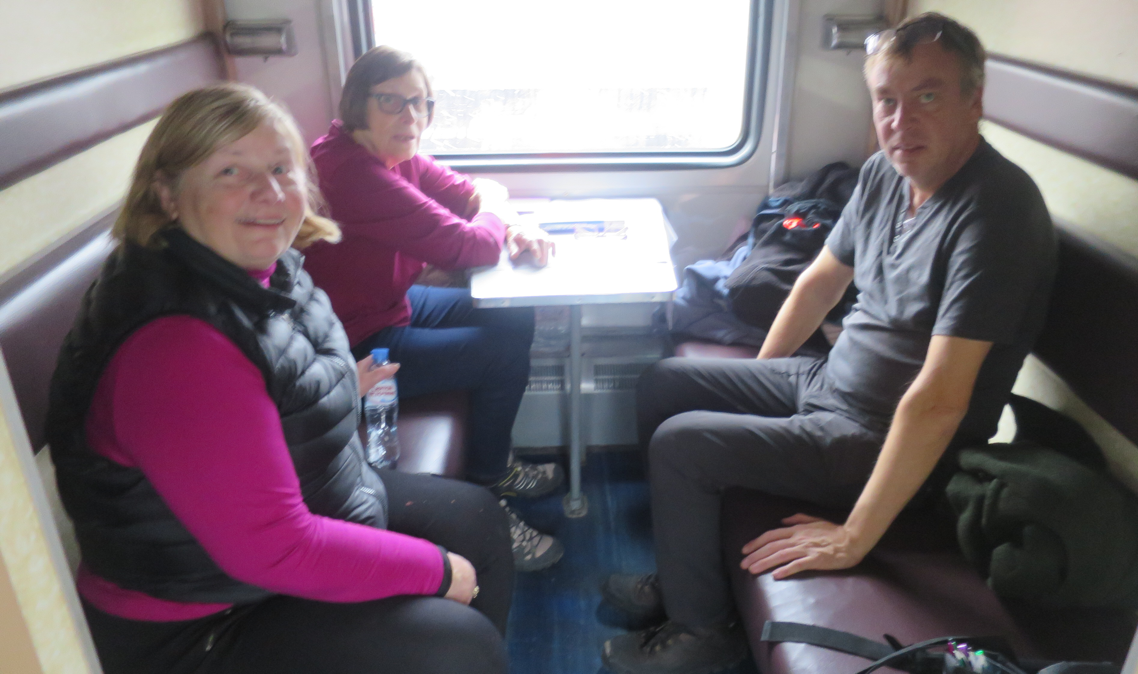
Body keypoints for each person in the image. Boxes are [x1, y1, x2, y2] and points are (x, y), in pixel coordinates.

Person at [600, 13, 1058, 674]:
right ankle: (685, 575)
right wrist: (756, 388)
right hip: (829, 379)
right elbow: (818, 285)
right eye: (886, 100)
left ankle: (703, 633)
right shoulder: (884, 175)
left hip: (881, 436)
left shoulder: (997, 214)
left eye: (927, 96)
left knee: (683, 445)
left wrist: (854, 537)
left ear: (973, 100)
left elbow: (939, 400)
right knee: (665, 383)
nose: (900, 121)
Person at [45, 83, 512, 674]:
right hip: (201, 619)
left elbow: (279, 379)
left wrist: (340, 386)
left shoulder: (268, 272)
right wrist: (439, 571)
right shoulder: (177, 346)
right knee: (456, 644)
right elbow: (275, 547)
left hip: (292, 522)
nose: (268, 193)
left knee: (476, 520)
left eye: (280, 168)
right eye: (230, 171)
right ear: (167, 195)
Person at [303, 46, 563, 572]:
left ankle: (495, 462)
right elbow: (472, 245)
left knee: (512, 314)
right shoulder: (353, 173)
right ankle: (489, 483)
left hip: (388, 306)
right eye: (392, 101)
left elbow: (467, 193)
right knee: (499, 355)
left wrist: (512, 221)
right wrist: (496, 210)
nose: (411, 116)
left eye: (420, 103)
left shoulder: (394, 155)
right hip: (355, 343)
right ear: (357, 104)